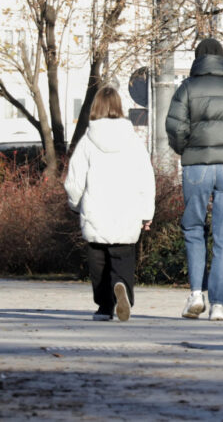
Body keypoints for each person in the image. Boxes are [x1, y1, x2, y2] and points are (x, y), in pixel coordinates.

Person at [166, 38, 223, 321]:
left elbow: (174, 126)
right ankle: (218, 305)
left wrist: (187, 150)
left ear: (198, 58)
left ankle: (196, 294)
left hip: (197, 167)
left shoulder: (186, 89)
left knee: (194, 229)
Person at [64, 86, 155, 322]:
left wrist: (76, 204)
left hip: (96, 211)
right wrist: (147, 212)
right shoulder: (133, 140)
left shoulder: (87, 141)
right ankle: (122, 288)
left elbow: (75, 180)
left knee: (98, 262)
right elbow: (145, 177)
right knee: (122, 257)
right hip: (127, 212)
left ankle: (105, 307)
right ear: (119, 108)